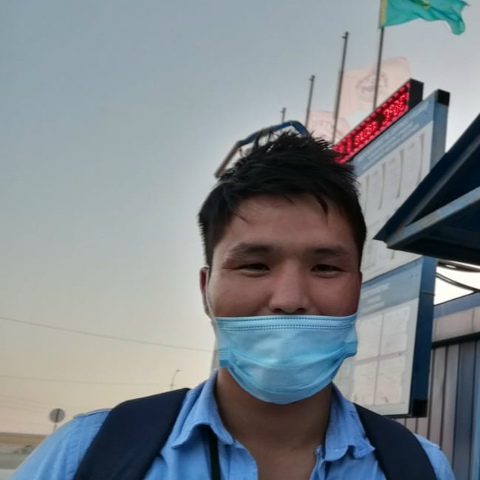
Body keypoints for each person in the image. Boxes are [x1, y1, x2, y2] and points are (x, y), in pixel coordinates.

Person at [12, 133, 455, 479]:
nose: (289, 299)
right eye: (255, 266)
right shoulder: (85, 454)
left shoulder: (420, 467)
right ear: (206, 289)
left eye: (325, 267)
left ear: (357, 287)